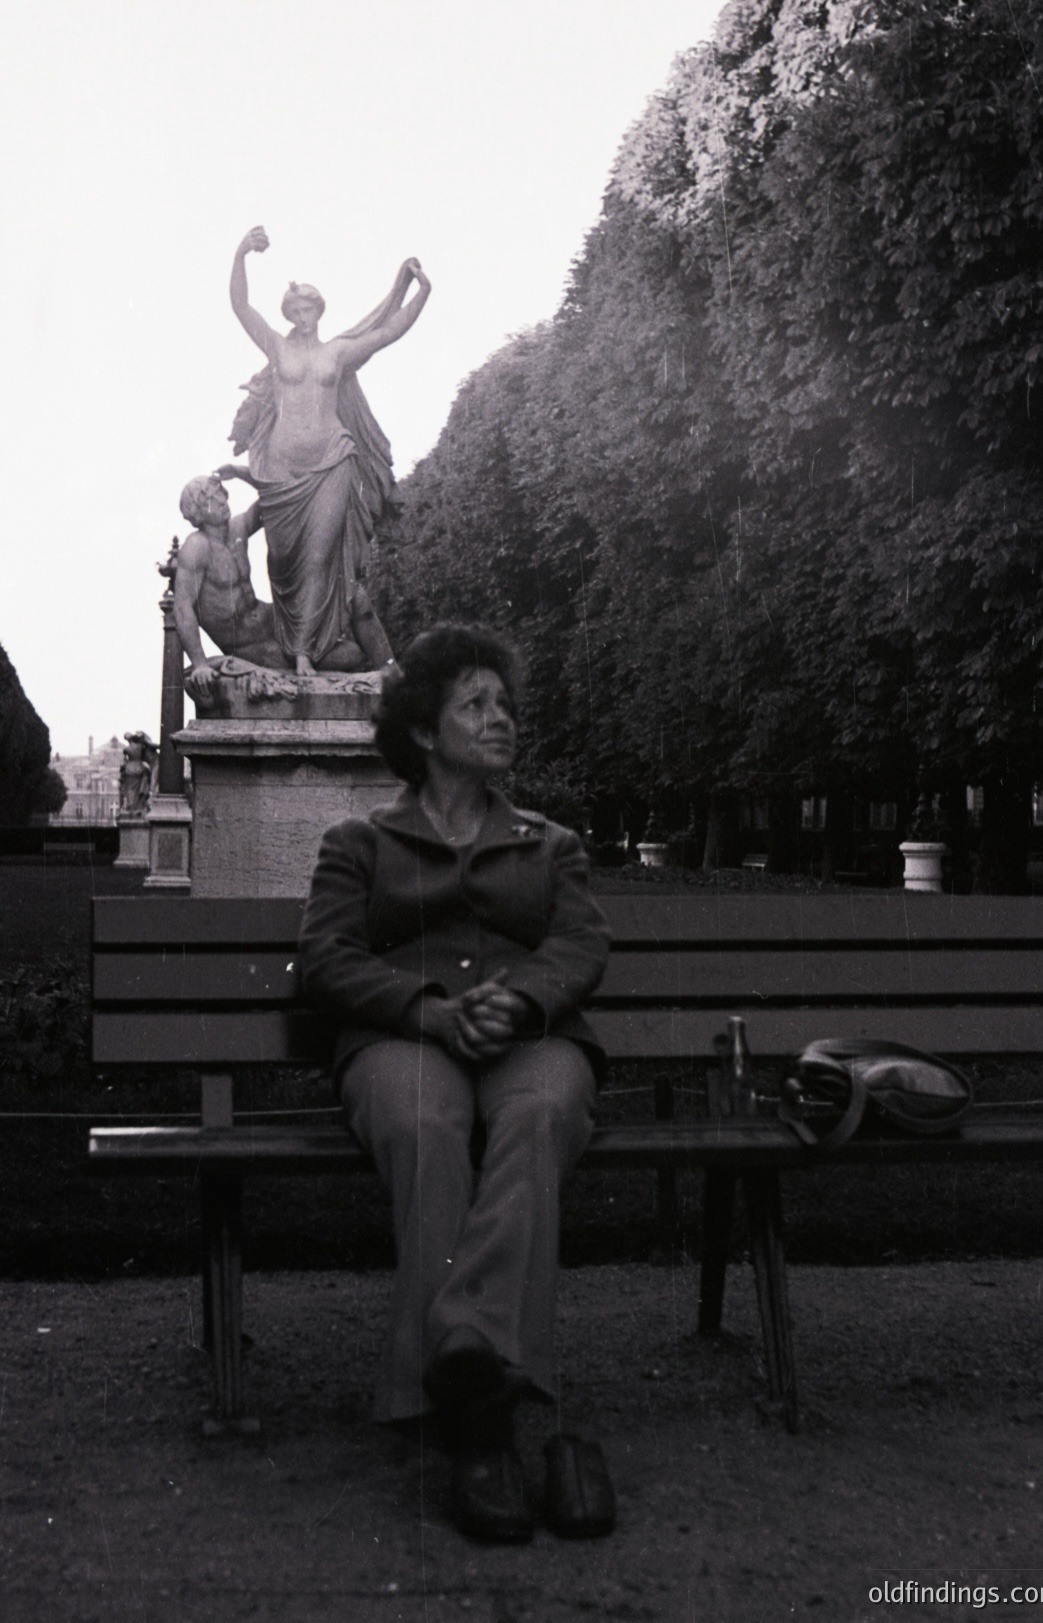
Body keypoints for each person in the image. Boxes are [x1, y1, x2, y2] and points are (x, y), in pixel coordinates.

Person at [299, 624, 616, 1543]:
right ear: (426, 733)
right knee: (422, 1123)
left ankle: (463, 1397)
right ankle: (492, 1415)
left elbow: (580, 944)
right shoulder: (358, 841)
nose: (500, 717)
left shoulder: (549, 843)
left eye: (504, 704)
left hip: (530, 1036)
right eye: (475, 704)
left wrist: (516, 1003)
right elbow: (324, 956)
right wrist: (427, 1008)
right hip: (405, 1038)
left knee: (540, 1113)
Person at [227, 226, 429, 674]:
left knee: (320, 557)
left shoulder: (337, 353)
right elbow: (241, 306)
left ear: (320, 310)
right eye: (295, 308)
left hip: (333, 460)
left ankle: (303, 655)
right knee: (281, 562)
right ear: (288, 313)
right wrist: (241, 253)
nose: (303, 314)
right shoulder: (276, 347)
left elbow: (388, 331)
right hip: (282, 474)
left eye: (309, 307)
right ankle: (302, 645)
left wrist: (421, 293)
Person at [173, 473, 394, 701]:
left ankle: (392, 670)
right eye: (210, 499)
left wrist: (242, 473)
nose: (221, 501)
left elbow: (274, 496)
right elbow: (182, 607)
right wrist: (199, 663)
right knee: (352, 654)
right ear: (197, 511)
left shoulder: (237, 528)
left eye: (220, 494)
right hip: (254, 647)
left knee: (353, 595)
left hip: (277, 622)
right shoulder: (195, 548)